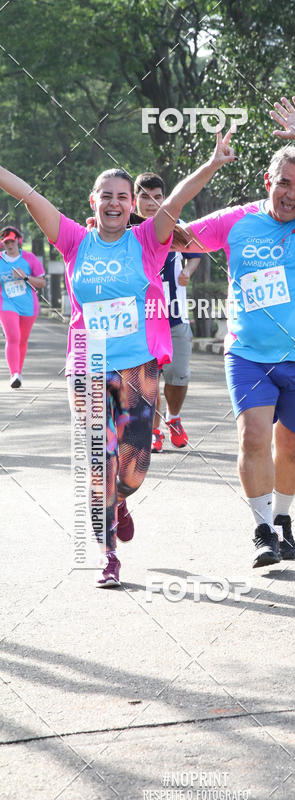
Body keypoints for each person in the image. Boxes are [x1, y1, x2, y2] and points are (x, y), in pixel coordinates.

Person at [0, 129, 235, 586]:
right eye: (105, 196)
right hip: (87, 360)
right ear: (93, 201)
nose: (113, 203)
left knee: (133, 466)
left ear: (132, 204)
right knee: (97, 459)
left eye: (122, 197)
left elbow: (179, 199)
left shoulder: (148, 240)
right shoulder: (73, 240)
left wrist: (212, 163)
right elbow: (28, 194)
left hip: (139, 365)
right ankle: (107, 555)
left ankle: (122, 499)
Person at [183, 96, 295, 568]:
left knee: (291, 445)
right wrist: (206, 169)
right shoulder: (237, 220)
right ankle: (261, 531)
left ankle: (282, 519)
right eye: (285, 183)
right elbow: (174, 236)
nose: (293, 194)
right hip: (249, 354)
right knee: (254, 438)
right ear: (268, 182)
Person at [134, 173, 202, 452]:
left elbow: (196, 252)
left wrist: (187, 270)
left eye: (158, 197)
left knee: (178, 375)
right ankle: (153, 430)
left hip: (174, 315)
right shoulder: (124, 228)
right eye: (145, 197)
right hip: (141, 318)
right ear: (135, 200)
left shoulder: (178, 225)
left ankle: (174, 418)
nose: (152, 203)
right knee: (150, 378)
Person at [0, 224, 45, 387]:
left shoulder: (29, 258)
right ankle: (14, 374)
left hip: (28, 306)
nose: (9, 245)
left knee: (22, 340)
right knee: (13, 337)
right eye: (6, 242)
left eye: (12, 241)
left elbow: (42, 283)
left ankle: (18, 371)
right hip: (6, 304)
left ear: (18, 241)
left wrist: (25, 277)